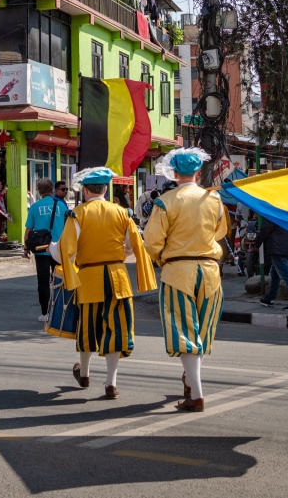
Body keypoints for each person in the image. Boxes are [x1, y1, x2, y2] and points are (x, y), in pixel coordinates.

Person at [143, 147, 230, 412]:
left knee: (184, 333)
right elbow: (220, 232)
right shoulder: (214, 200)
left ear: (175, 172)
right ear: (197, 171)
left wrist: (161, 258)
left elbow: (151, 242)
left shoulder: (165, 201)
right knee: (202, 332)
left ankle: (196, 394)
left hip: (178, 271)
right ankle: (191, 384)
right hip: (210, 271)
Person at [58, 167, 156, 400]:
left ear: (85, 190)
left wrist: (61, 264)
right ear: (105, 189)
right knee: (116, 329)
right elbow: (135, 245)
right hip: (117, 277)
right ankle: (111, 383)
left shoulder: (77, 214)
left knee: (88, 328)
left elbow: (66, 250)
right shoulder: (122, 212)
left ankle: (84, 373)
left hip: (89, 279)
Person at [24, 178, 69, 321]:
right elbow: (69, 229)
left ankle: (45, 313)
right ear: (52, 190)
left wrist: (26, 247)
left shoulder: (35, 207)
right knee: (61, 280)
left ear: (39, 192)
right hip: (58, 249)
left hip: (41, 249)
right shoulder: (62, 207)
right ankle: (62, 310)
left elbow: (28, 230)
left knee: (42, 281)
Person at [257, 217, 288, 311]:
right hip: (286, 245)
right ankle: (270, 297)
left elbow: (266, 227)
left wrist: (256, 242)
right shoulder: (283, 209)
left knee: (286, 275)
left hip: (277, 246)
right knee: (275, 274)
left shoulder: (270, 211)